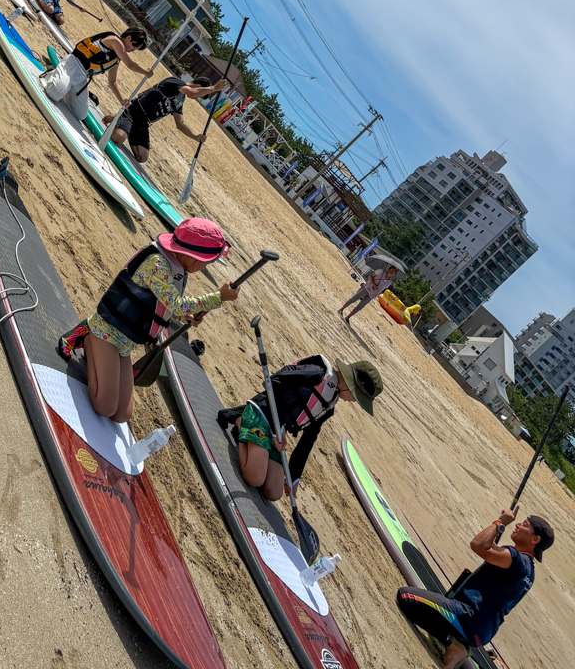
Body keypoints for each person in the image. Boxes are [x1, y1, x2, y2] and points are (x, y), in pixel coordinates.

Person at [57, 219, 240, 423]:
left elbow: (160, 304)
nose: (206, 266)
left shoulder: (178, 267)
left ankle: (96, 351)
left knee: (121, 415)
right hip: (108, 331)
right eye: (208, 262)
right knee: (104, 407)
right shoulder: (157, 263)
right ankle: (88, 336)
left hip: (126, 342)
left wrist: (184, 317)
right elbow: (175, 304)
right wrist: (218, 298)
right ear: (194, 257)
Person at [396, 511, 553, 669]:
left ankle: (454, 645)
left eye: (524, 525)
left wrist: (500, 522)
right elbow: (488, 548)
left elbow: (478, 545)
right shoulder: (529, 571)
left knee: (406, 597)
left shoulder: (515, 559)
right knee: (435, 608)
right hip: (482, 631)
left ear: (535, 539)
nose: (518, 525)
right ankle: (456, 644)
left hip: (468, 617)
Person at [218, 355, 383, 500]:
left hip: (275, 431)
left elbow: (309, 438)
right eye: (356, 397)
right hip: (260, 414)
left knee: (274, 492)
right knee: (255, 478)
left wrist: (293, 477)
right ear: (351, 385)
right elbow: (276, 381)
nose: (353, 401)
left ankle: (258, 448)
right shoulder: (317, 372)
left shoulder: (330, 403)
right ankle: (240, 422)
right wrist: (276, 428)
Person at [41, 26, 151, 122]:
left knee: (80, 114)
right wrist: (146, 72)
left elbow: (112, 82)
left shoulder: (116, 59)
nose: (132, 51)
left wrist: (122, 100)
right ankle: (51, 74)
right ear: (129, 38)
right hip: (72, 64)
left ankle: (64, 86)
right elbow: (130, 65)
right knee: (54, 94)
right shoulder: (114, 40)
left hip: (82, 77)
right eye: (134, 47)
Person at [110, 75, 228, 165]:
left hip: (143, 123)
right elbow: (192, 92)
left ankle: (120, 123)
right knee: (119, 138)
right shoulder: (175, 82)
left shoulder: (181, 99)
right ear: (197, 86)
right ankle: (117, 119)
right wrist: (214, 88)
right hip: (134, 112)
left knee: (142, 158)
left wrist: (195, 137)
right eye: (199, 95)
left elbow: (180, 124)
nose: (195, 98)